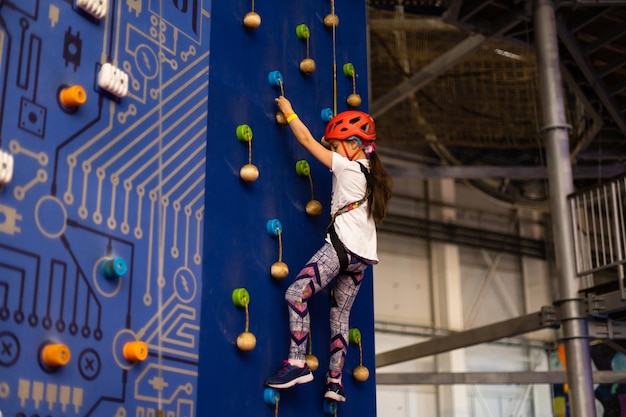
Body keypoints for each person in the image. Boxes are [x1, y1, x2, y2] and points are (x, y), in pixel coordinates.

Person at [265, 96, 392, 402]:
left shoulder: (348, 168)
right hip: (362, 259)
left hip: (341, 248)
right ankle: (334, 382)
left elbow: (308, 141)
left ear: (353, 144)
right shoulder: (371, 178)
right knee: (340, 317)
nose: (334, 151)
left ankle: (297, 362)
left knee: (296, 293)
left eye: (336, 146)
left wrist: (289, 112)